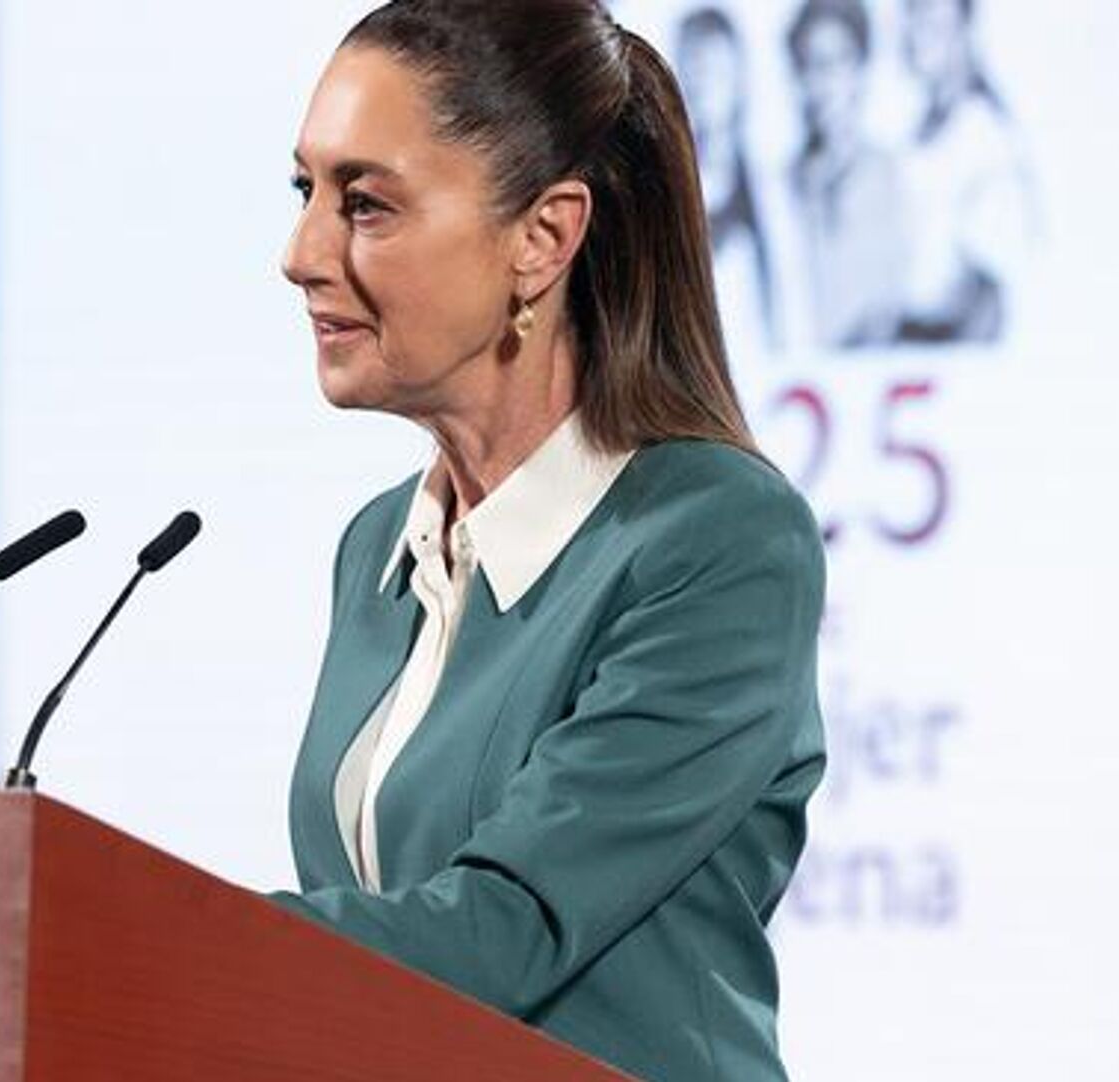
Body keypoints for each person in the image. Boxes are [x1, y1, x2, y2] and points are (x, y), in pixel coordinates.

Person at [274, 3, 825, 1080]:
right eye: (306, 194)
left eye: (365, 204)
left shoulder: (719, 540)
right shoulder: (380, 547)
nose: (301, 255)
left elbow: (506, 923)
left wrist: (149, 939)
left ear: (543, 238)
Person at [895, 0, 1034, 343]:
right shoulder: (920, 133)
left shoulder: (983, 134)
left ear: (964, 31)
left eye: (932, 25)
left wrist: (953, 362)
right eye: (911, 20)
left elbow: (990, 292)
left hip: (949, 350)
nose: (916, 37)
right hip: (911, 343)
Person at [785, 0, 909, 349]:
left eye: (834, 62)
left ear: (861, 69)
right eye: (808, 63)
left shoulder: (892, 177)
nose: (820, 81)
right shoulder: (785, 184)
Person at [675, 7, 781, 358]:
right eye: (696, 69)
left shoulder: (768, 189)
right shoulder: (656, 188)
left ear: (739, 82)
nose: (705, 86)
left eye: (717, 72)